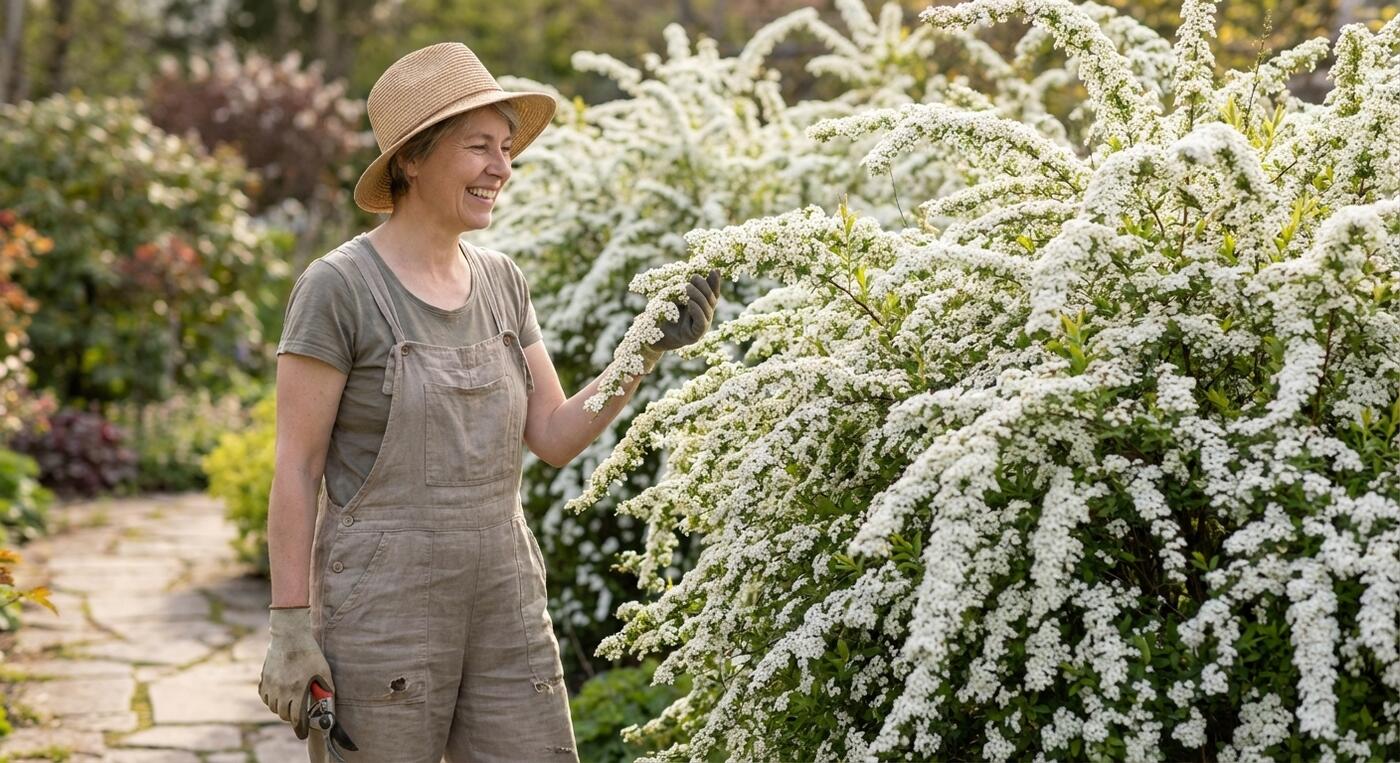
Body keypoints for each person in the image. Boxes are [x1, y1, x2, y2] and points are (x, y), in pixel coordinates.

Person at [255, 42, 721, 762]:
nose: (503, 167)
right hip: (383, 614)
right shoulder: (338, 288)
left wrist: (643, 349)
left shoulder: (503, 280)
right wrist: (289, 628)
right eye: (480, 147)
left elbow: (556, 433)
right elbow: (297, 465)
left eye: (506, 148)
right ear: (411, 159)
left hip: (506, 605)